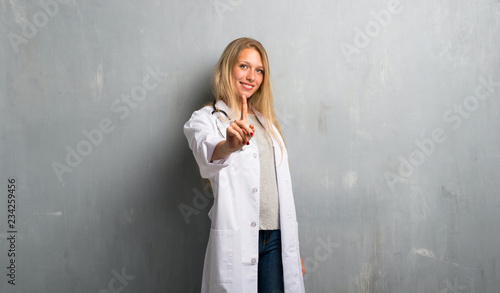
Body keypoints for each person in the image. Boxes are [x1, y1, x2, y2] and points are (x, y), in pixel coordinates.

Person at [184, 37, 305, 293]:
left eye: (259, 70)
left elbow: (279, 192)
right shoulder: (206, 120)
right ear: (228, 68)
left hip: (276, 240)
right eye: (244, 66)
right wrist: (229, 144)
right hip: (238, 240)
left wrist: (291, 253)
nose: (251, 76)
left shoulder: (267, 123)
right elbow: (209, 152)